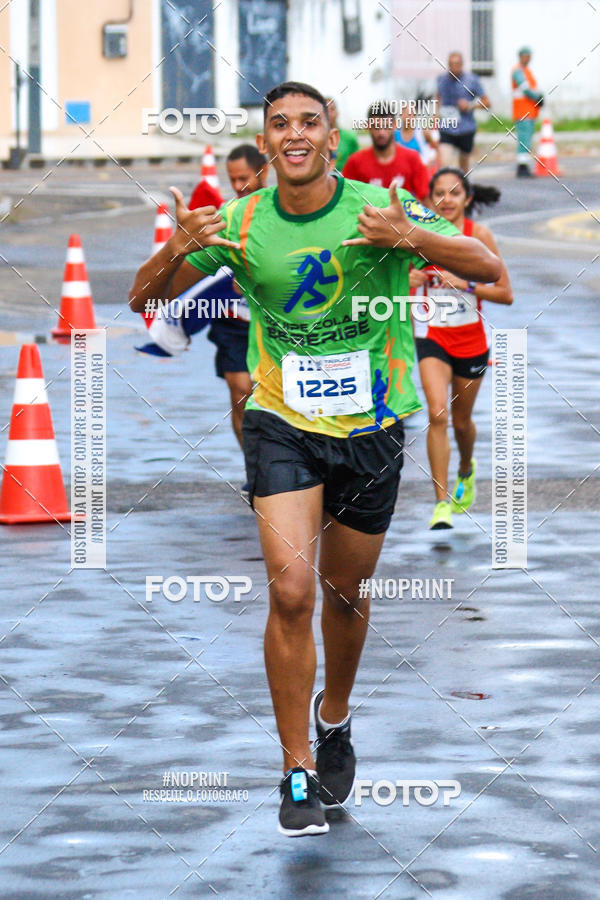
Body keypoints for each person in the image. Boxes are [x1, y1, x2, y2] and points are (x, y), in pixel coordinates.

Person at [128, 81, 501, 836]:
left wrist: (411, 237)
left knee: (345, 593)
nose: (294, 133)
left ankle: (335, 717)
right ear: (266, 142)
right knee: (292, 592)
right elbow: (144, 302)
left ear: (332, 137)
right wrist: (176, 248)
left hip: (370, 428)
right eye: (279, 124)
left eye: (309, 122)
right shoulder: (239, 220)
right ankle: (296, 766)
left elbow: (487, 267)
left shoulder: (378, 207)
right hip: (281, 423)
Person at [136, 144, 269, 451]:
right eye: (232, 179)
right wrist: (181, 320)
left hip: (276, 322)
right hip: (233, 322)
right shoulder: (224, 219)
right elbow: (194, 280)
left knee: (273, 401)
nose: (238, 186)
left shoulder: (281, 212)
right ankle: (252, 465)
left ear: (263, 171)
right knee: (240, 393)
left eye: (244, 178)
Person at [409, 167, 513, 530]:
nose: (446, 200)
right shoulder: (417, 235)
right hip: (431, 335)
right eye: (439, 193)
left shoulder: (478, 236)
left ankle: (466, 469)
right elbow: (388, 283)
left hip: (470, 339)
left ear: (467, 199)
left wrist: (465, 284)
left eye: (454, 193)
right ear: (428, 199)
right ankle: (441, 503)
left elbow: (505, 294)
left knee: (461, 422)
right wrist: (407, 279)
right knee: (437, 414)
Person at [342, 100, 430, 199]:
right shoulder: (355, 163)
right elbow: (347, 199)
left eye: (386, 126)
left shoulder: (412, 158)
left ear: (395, 124)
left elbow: (425, 198)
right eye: (376, 127)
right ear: (368, 126)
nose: (381, 133)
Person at [436, 52, 490, 173]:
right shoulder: (441, 80)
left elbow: (487, 102)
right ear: (448, 65)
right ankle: (447, 183)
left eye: (457, 64)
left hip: (466, 128)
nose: (454, 67)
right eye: (452, 64)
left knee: (463, 169)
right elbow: (438, 97)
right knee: (445, 165)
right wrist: (435, 115)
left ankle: (462, 184)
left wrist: (470, 105)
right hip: (446, 128)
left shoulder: (472, 80)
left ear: (462, 64)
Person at [512, 47, 544, 177]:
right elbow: (525, 89)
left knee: (527, 140)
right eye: (526, 56)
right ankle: (522, 168)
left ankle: (524, 166)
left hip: (529, 111)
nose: (528, 59)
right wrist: (537, 97)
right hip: (523, 111)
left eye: (529, 56)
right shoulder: (518, 71)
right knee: (524, 140)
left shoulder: (525, 71)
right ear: (521, 57)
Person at [326, 97, 359, 172]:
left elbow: (357, 164)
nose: (329, 113)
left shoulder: (350, 137)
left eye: (332, 109)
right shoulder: (315, 138)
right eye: (326, 110)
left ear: (337, 113)